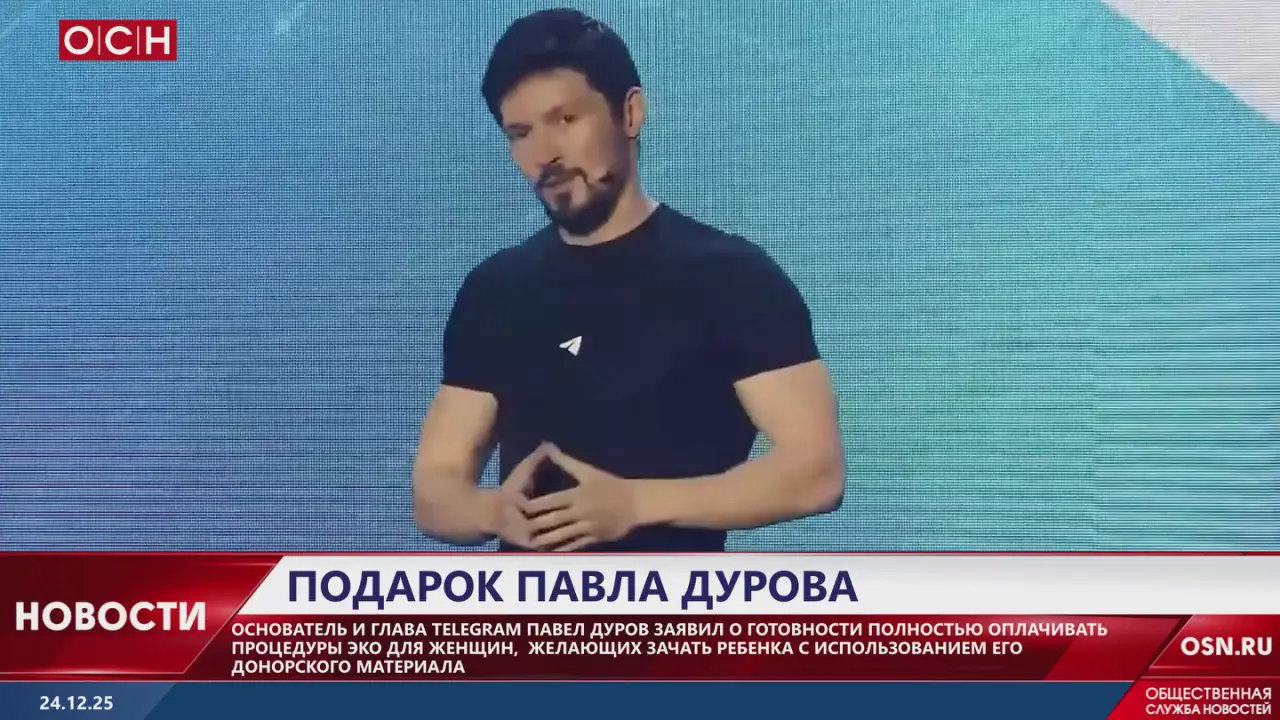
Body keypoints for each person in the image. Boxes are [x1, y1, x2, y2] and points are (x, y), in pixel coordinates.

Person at [412, 8, 844, 552]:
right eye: (520, 133)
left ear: (631, 113)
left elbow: (815, 471)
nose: (544, 154)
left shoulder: (730, 278)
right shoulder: (498, 290)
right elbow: (435, 488)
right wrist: (489, 511)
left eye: (566, 119)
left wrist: (636, 504)